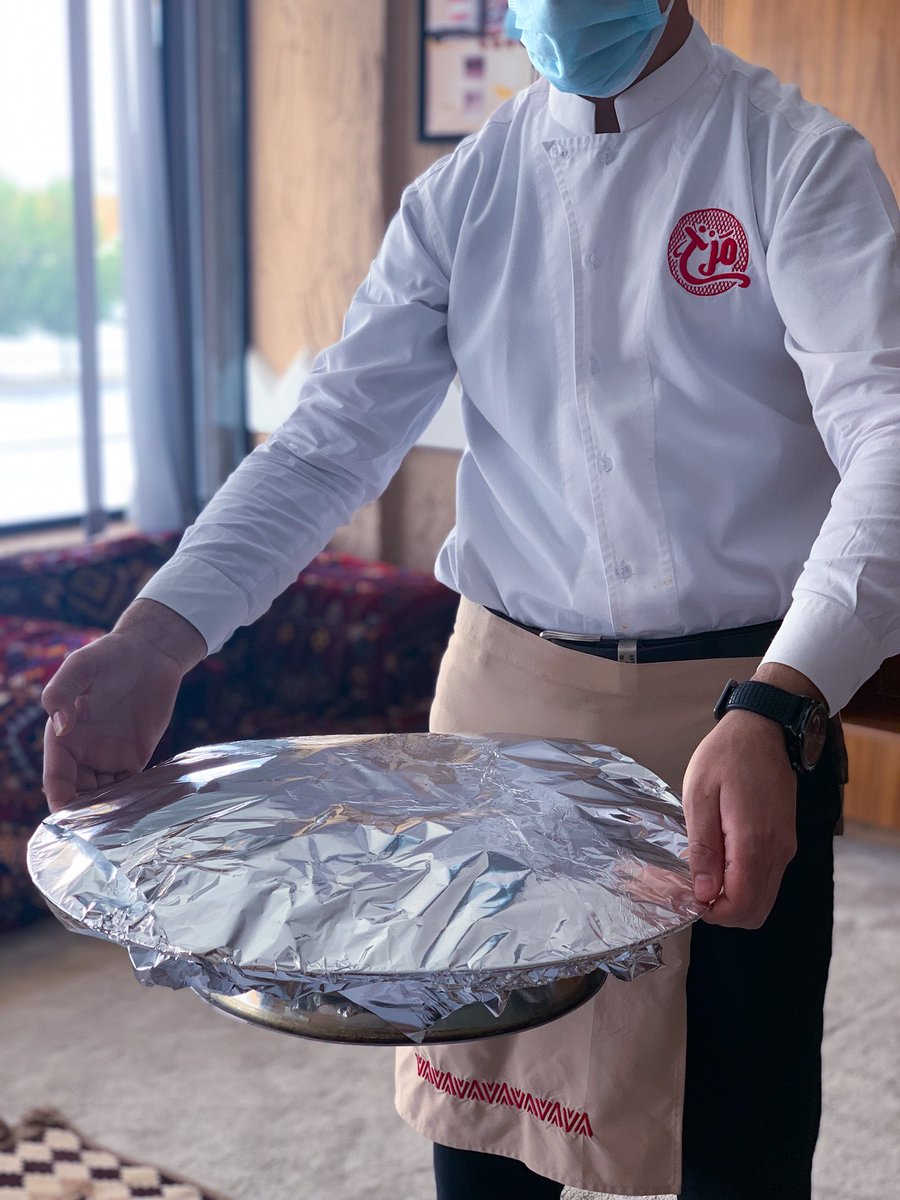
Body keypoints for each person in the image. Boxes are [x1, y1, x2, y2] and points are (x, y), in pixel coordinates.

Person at [42, 1, 899, 1197]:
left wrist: (783, 698)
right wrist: (157, 636)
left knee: (734, 1138)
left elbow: (888, 434)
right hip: (504, 726)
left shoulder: (792, 159)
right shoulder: (464, 195)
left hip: (743, 721)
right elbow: (328, 442)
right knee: (488, 1137)